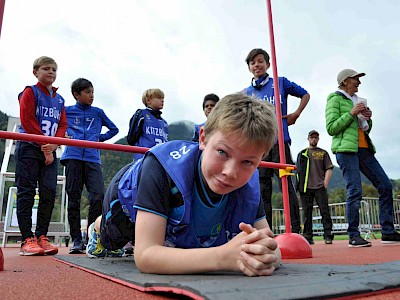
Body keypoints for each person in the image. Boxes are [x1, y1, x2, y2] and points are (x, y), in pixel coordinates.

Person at [86, 93, 281, 276]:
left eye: (247, 162)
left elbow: (272, 248)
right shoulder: (161, 168)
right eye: (222, 152)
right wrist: (223, 257)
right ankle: (97, 226)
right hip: (126, 200)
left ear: (260, 159)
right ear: (203, 138)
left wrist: (264, 256)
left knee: (177, 243)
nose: (230, 172)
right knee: (114, 240)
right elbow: (145, 256)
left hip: (177, 210)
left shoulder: (249, 185)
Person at [325, 68, 400, 247]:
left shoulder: (357, 100)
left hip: (365, 149)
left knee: (385, 185)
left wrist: (367, 118)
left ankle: (388, 232)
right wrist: (351, 113)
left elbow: (364, 128)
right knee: (355, 190)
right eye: (355, 79)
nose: (359, 82)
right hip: (346, 150)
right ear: (344, 81)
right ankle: (353, 235)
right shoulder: (334, 99)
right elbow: (331, 128)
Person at [242, 48, 310, 234]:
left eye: (260, 61)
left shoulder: (280, 82)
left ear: (268, 64)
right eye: (252, 62)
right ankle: (267, 233)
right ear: (249, 68)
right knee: (262, 190)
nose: (257, 65)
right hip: (258, 146)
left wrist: (296, 114)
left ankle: (295, 231)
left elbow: (305, 94)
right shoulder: (246, 93)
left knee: (286, 185)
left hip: (280, 141)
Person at [15, 56, 67, 256]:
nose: (51, 72)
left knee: (48, 192)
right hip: (29, 148)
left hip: (51, 150)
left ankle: (42, 235)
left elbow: (62, 125)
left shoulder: (60, 99)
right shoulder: (30, 91)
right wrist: (45, 145)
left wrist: (54, 144)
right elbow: (27, 119)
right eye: (46, 68)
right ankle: (26, 238)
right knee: (26, 192)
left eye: (54, 69)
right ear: (36, 72)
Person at [61, 78, 119, 254]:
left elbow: (114, 129)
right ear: (76, 95)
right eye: (87, 92)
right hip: (72, 157)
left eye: (93, 92)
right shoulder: (67, 111)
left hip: (93, 159)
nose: (91, 95)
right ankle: (76, 239)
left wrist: (98, 139)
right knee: (74, 198)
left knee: (98, 196)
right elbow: (58, 127)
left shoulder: (98, 112)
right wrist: (63, 134)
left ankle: (91, 236)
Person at [296, 130, 334, 245]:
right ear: (308, 139)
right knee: (307, 213)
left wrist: (325, 183)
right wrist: (298, 186)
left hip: (319, 187)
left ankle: (328, 235)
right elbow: (298, 171)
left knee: (325, 212)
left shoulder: (323, 153)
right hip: (306, 187)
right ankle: (308, 236)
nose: (314, 139)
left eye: (316, 138)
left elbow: (329, 168)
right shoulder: (303, 153)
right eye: (312, 137)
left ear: (318, 139)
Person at [126, 88, 168, 161]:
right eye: (159, 98)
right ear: (148, 100)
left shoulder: (164, 122)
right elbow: (131, 139)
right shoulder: (141, 114)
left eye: (163, 98)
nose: (162, 100)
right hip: (143, 157)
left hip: (160, 159)